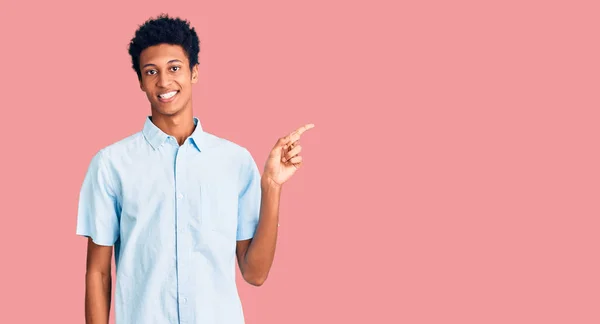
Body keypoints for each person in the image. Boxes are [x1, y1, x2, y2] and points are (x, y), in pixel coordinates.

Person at [75, 14, 314, 324]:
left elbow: (255, 274)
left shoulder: (235, 161)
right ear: (140, 81)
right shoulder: (111, 164)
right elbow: (98, 272)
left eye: (174, 68)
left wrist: (271, 186)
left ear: (194, 73)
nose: (164, 82)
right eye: (151, 72)